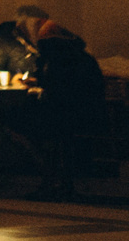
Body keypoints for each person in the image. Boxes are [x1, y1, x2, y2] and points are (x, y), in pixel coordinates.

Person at [30, 18, 107, 200]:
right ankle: (59, 180)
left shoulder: (56, 58)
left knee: (25, 125)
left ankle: (51, 180)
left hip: (67, 115)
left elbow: (55, 89)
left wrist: (39, 77)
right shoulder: (82, 56)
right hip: (89, 113)